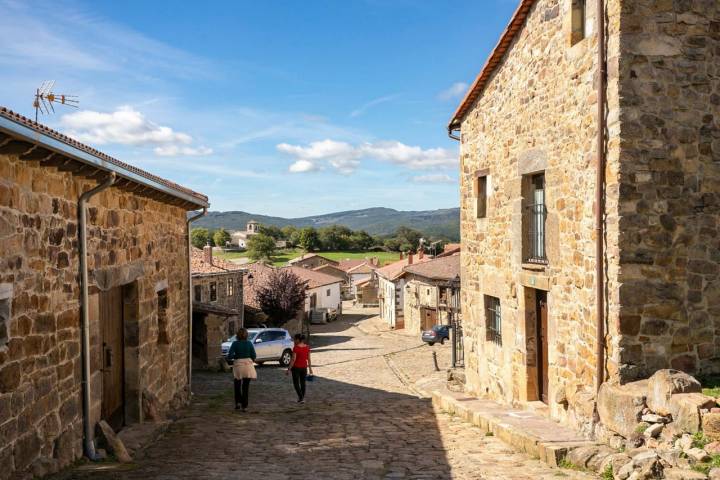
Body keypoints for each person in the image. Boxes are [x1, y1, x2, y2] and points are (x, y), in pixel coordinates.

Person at [226, 328, 257, 411]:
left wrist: (236, 356)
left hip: (238, 366)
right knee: (245, 387)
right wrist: (249, 360)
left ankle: (238, 403)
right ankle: (245, 406)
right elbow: (254, 355)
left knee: (237, 386)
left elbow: (230, 356)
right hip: (247, 366)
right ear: (246, 335)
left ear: (237, 335)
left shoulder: (235, 344)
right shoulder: (249, 343)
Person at [286, 333, 312, 403]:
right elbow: (309, 359)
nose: (294, 341)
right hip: (304, 368)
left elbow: (293, 359)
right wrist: (310, 369)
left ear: (298, 340)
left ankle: (301, 398)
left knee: (296, 383)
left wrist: (289, 369)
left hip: (296, 368)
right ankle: (302, 398)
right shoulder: (307, 347)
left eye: (294, 339)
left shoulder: (296, 348)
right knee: (303, 383)